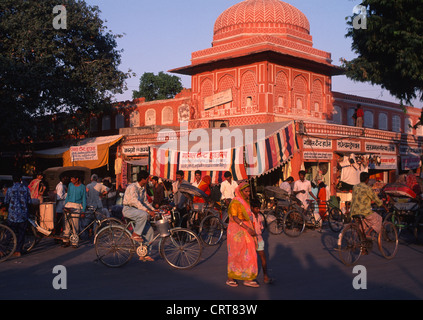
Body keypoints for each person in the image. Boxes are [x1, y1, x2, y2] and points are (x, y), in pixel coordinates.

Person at [226, 181, 259, 288]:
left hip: (246, 229)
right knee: (236, 253)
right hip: (236, 231)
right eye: (246, 191)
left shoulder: (246, 201)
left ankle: (248, 278)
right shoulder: (235, 202)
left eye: (249, 191)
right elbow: (235, 217)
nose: (248, 193)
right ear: (240, 191)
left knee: (249, 252)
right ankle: (230, 277)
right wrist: (248, 228)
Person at [122, 170, 156, 261]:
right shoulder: (132, 187)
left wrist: (153, 210)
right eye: (147, 178)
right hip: (128, 209)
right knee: (144, 214)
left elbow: (145, 202)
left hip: (138, 211)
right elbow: (135, 202)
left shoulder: (143, 189)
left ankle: (144, 254)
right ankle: (135, 234)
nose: (149, 180)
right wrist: (148, 211)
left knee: (150, 232)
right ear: (143, 179)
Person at [4, 175, 31, 257]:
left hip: (12, 215)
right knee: (21, 233)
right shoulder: (26, 189)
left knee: (9, 232)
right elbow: (29, 201)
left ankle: (3, 249)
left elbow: (6, 201)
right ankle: (18, 251)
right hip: (23, 215)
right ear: (20, 179)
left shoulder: (9, 189)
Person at [350, 172, 383, 241]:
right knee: (378, 219)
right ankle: (369, 233)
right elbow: (375, 199)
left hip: (354, 211)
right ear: (367, 179)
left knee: (362, 228)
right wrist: (382, 204)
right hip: (364, 212)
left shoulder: (355, 187)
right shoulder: (367, 188)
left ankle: (363, 249)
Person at [250, 199, 273, 284]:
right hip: (251, 240)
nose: (258, 210)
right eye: (256, 208)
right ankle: (250, 277)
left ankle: (265, 276)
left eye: (259, 208)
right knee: (251, 259)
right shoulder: (249, 216)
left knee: (263, 256)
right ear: (252, 208)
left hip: (259, 238)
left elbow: (261, 227)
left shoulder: (259, 216)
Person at [63, 174, 86, 247]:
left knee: (75, 225)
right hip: (68, 205)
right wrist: (65, 205)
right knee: (67, 223)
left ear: (77, 179)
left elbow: (84, 199)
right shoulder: (70, 185)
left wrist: (83, 210)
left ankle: (74, 242)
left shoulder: (83, 187)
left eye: (73, 178)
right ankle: (66, 240)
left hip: (77, 206)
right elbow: (68, 195)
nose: (71, 180)